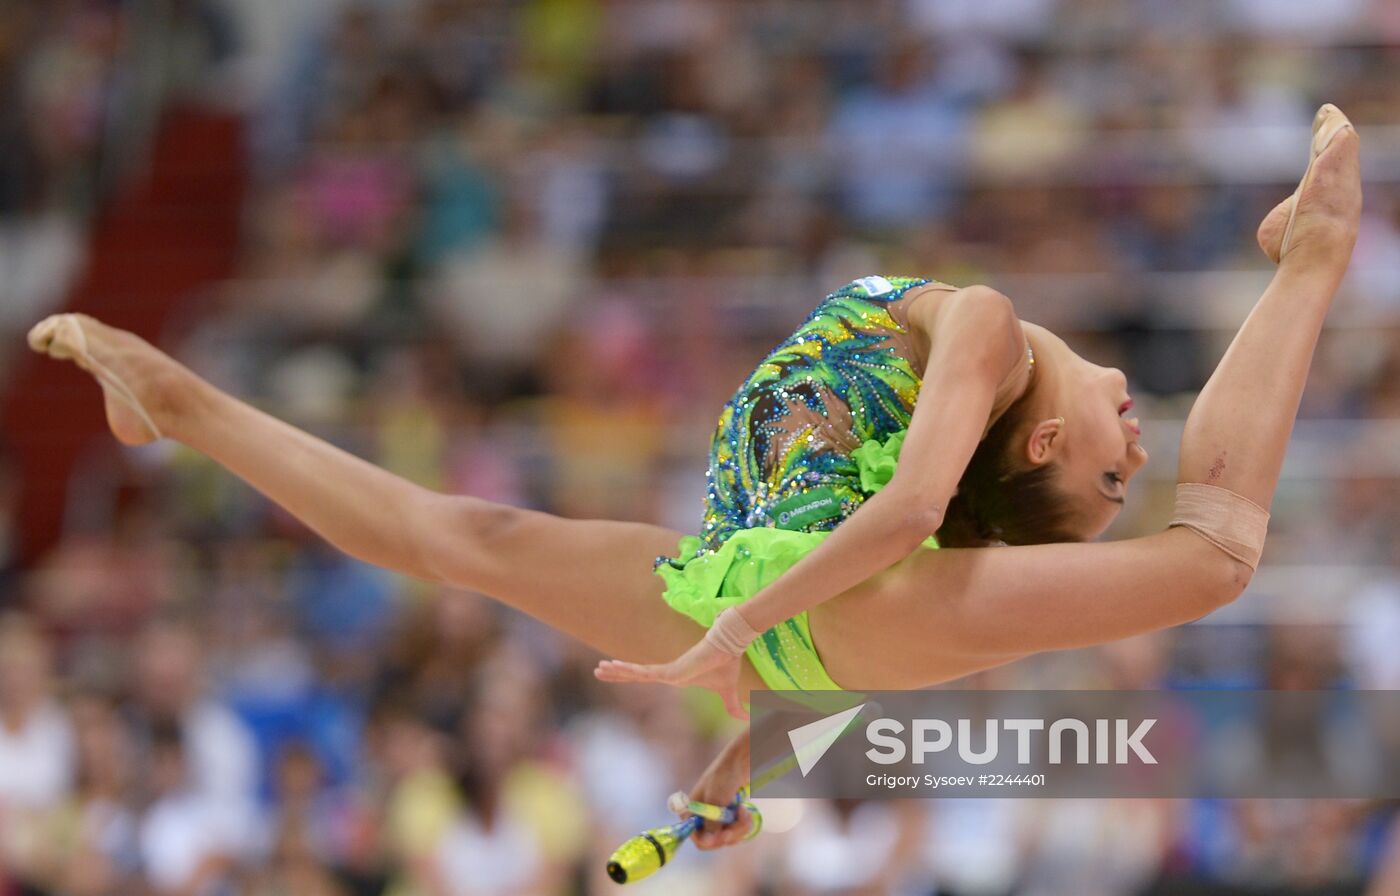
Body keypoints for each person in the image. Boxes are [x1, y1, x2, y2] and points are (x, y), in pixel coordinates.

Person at [28, 105, 1361, 851]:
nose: (1140, 437)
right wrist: (745, 741)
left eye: (1119, 468)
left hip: (774, 593)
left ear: (1042, 447)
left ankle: (1313, 254)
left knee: (1215, 560)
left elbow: (901, 526)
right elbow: (878, 583)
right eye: (1135, 460)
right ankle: (182, 404)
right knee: (471, 532)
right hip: (783, 590)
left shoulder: (993, 327)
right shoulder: (971, 375)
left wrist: (736, 642)